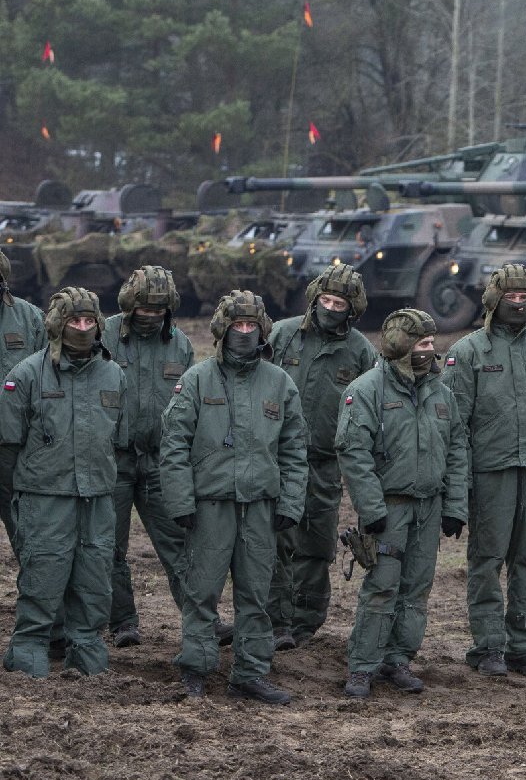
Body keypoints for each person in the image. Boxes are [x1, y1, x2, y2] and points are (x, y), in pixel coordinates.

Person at [160, 291, 307, 703]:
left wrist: (291, 504)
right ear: (222, 330)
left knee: (256, 595)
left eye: (251, 327)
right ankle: (195, 671)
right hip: (209, 506)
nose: (244, 334)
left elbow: (296, 450)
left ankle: (250, 673)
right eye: (237, 326)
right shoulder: (196, 379)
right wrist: (180, 503)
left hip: (260, 507)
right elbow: (173, 445)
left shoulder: (279, 383)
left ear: (262, 331)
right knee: (201, 592)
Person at [443, 264, 526, 679]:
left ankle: (524, 646)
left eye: (523, 298)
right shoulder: (468, 352)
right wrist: (457, 490)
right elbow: (453, 426)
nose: (516, 304)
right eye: (509, 298)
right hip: (490, 473)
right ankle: (488, 647)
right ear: (492, 302)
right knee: (486, 561)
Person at [337, 309, 468, 698]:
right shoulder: (364, 391)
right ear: (401, 346)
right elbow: (352, 453)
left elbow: (457, 450)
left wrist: (455, 507)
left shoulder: (441, 393)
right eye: (423, 343)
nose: (431, 350)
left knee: (416, 588)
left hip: (429, 507)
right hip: (389, 510)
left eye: (431, 343)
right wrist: (372, 509)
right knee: (382, 586)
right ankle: (362, 667)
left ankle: (398, 659)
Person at [0, 287, 127, 677]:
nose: (83, 328)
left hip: (96, 498)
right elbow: (8, 445)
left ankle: (86, 651)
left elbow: (118, 440)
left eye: (90, 321)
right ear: (57, 325)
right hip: (44, 496)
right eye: (75, 321)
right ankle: (29, 652)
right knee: (43, 575)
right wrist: (22, 494)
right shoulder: (26, 374)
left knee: (94, 578)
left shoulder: (113, 374)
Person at [267, 264, 377, 650]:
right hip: (278, 458)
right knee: (277, 539)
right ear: (314, 300)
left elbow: (372, 408)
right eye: (326, 300)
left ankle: (305, 621)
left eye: (340, 303)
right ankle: (274, 620)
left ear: (353, 308)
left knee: (316, 543)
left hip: (327, 463)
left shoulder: (362, 350)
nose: (331, 308)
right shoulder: (282, 334)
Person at [104, 266, 195, 648]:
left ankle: (199, 616)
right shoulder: (105, 334)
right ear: (129, 307)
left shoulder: (181, 345)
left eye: (159, 313)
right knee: (110, 545)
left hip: (161, 461)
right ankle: (122, 622)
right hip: (114, 459)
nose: (151, 318)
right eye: (143, 311)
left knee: (179, 542)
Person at [0, 252, 51, 558]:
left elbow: (52, 378)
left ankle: (36, 600)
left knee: (28, 530)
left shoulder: (30, 318)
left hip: (18, 448)